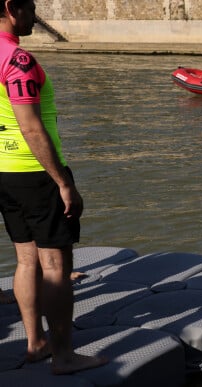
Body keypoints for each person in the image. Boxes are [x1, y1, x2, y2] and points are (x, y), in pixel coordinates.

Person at [0, 0, 107, 374]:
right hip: (35, 172)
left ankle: (36, 344)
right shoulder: (17, 60)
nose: (35, 14)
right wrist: (62, 181)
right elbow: (31, 126)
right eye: (30, 6)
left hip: (4, 171)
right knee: (56, 265)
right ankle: (63, 355)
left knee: (26, 259)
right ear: (12, 7)